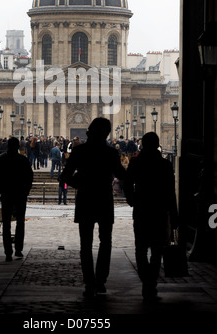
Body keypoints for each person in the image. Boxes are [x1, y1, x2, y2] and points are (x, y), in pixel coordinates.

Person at [60, 117, 126, 297]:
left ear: (89, 131)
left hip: (85, 199)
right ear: (106, 133)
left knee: (85, 244)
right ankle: (101, 281)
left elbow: (64, 177)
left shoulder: (79, 151)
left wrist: (80, 184)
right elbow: (122, 175)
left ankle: (89, 282)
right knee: (106, 242)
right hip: (104, 199)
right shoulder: (110, 153)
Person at [123, 132, 179, 303]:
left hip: (141, 209)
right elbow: (171, 191)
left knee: (140, 248)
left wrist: (131, 199)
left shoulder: (136, 163)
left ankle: (146, 279)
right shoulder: (165, 164)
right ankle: (151, 281)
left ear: (142, 145)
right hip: (159, 210)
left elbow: (126, 183)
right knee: (157, 250)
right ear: (157, 145)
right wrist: (174, 214)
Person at [0, 137, 33, 261]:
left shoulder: (2, 160)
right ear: (18, 147)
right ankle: (18, 249)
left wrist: (0, 191)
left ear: (7, 146)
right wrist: (26, 191)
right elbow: (29, 177)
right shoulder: (23, 160)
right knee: (20, 222)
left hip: (6, 194)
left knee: (6, 223)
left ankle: (7, 251)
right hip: (20, 194)